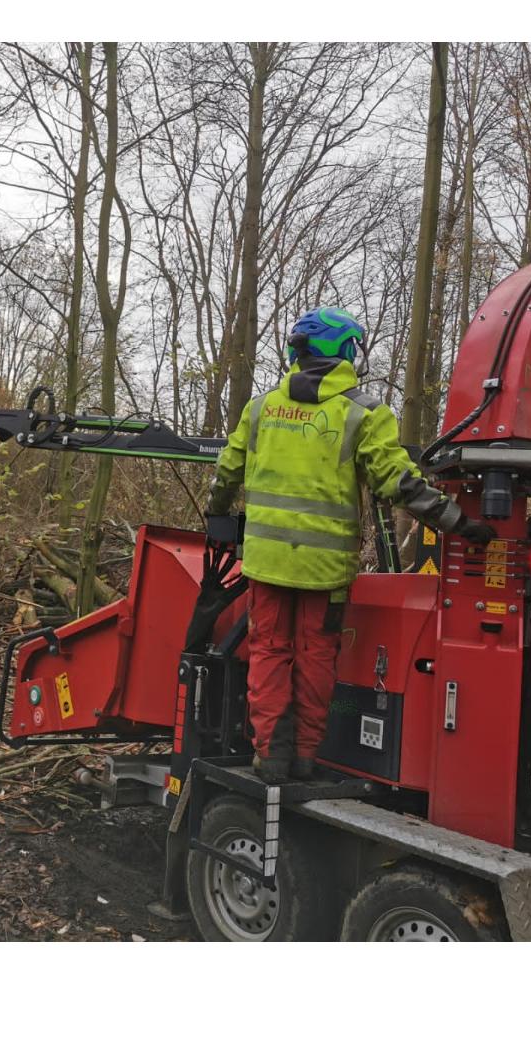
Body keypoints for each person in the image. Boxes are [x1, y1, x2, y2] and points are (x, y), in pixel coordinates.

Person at [206, 307, 495, 783]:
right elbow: (396, 482)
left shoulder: (259, 408)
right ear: (342, 349)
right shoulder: (363, 412)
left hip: (266, 562)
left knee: (269, 652)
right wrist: (458, 521)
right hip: (325, 570)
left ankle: (271, 757)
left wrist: (217, 512)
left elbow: (226, 471)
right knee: (317, 655)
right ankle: (303, 757)